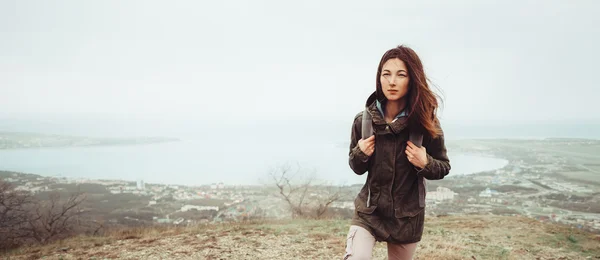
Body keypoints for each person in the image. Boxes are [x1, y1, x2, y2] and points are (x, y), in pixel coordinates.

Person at [344, 45, 451, 260]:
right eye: (386, 74)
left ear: (412, 79)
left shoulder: (425, 123)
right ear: (379, 78)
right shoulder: (362, 121)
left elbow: (443, 167)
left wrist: (425, 162)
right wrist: (360, 152)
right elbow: (356, 167)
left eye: (401, 75)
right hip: (369, 212)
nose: (392, 81)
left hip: (407, 218)